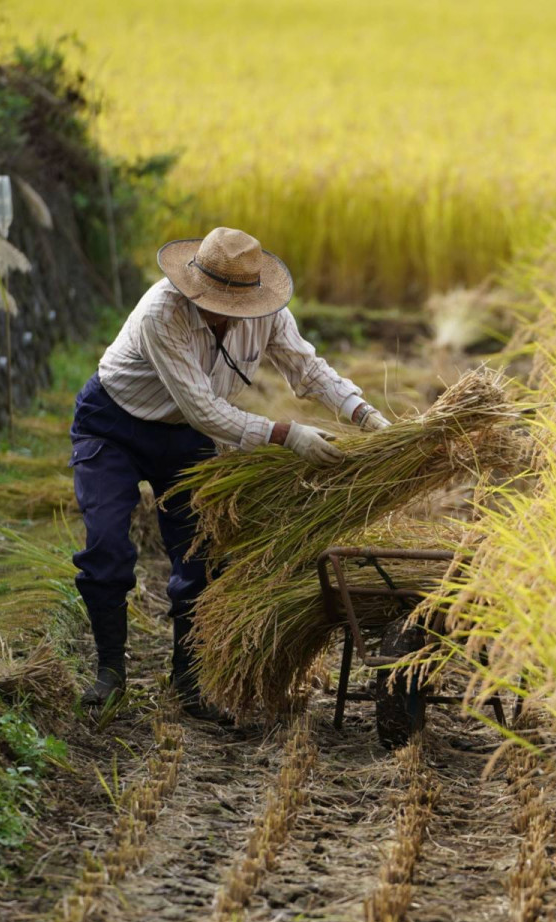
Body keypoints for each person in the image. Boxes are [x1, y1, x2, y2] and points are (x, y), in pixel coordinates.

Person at [68, 226, 389, 721]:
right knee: (107, 546)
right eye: (216, 301)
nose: (226, 313)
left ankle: (189, 683)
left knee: (200, 555)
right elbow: (203, 410)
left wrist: (365, 416)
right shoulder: (162, 313)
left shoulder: (269, 315)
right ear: (194, 285)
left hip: (185, 440)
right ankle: (109, 672)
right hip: (114, 422)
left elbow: (309, 370)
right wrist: (287, 435)